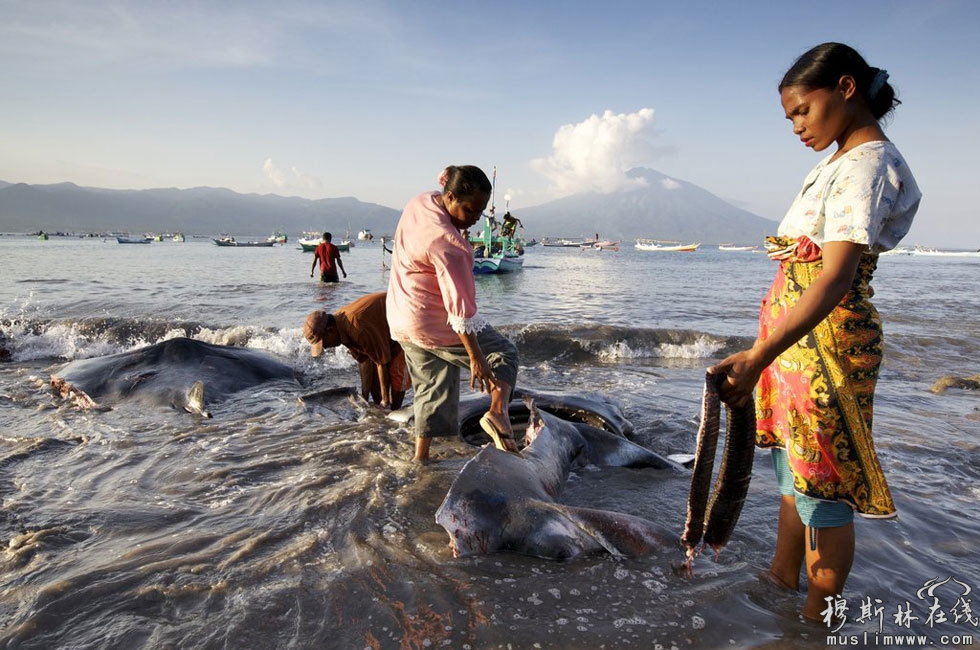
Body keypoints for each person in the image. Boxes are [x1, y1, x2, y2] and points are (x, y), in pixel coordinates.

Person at [709, 43, 921, 623]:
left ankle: (816, 616)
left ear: (846, 89)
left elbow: (832, 279)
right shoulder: (839, 160)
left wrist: (759, 354)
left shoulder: (866, 164)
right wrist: (766, 350)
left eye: (803, 110)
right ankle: (782, 578)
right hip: (797, 348)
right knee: (794, 472)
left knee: (822, 488)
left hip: (826, 347)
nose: (797, 126)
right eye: (790, 117)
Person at [386, 164, 521, 464]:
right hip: (432, 318)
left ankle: (420, 458)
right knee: (504, 354)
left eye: (481, 211)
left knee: (431, 386)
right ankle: (498, 414)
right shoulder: (450, 244)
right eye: (469, 209)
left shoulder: (421, 202)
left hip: (402, 316)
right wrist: (476, 358)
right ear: (449, 196)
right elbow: (460, 312)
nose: (474, 218)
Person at [303, 292, 409, 409]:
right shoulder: (341, 327)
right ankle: (384, 413)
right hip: (382, 330)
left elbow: (381, 362)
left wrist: (385, 401)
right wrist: (364, 397)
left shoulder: (356, 328)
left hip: (403, 320)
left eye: (324, 343)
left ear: (330, 330)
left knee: (397, 373)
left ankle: (394, 410)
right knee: (374, 380)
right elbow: (364, 361)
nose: (326, 347)